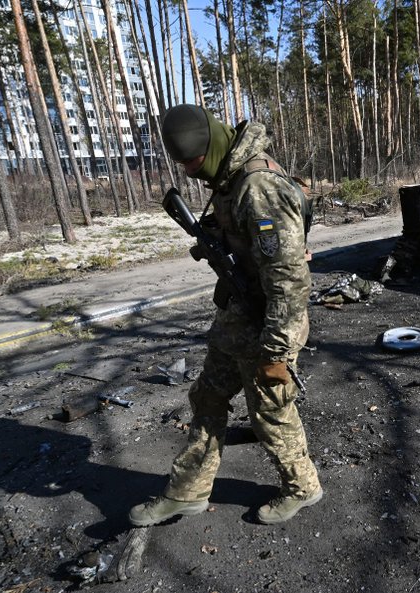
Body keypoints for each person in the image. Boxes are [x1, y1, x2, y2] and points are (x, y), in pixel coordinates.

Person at [129, 105, 322, 526]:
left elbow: (289, 279)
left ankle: (303, 487)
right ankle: (187, 492)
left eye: (192, 162)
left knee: (271, 412)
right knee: (208, 397)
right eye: (181, 164)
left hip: (269, 322)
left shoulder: (258, 186)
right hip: (236, 315)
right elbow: (241, 238)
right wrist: (214, 239)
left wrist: (277, 351)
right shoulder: (228, 178)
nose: (188, 171)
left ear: (211, 146)